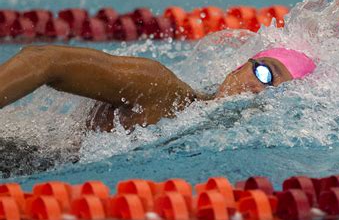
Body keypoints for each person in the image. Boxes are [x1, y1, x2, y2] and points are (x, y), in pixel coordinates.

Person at [0, 45, 316, 131]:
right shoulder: (162, 90)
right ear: (240, 66)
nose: (260, 90)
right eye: (264, 74)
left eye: (276, 91)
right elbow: (46, 59)